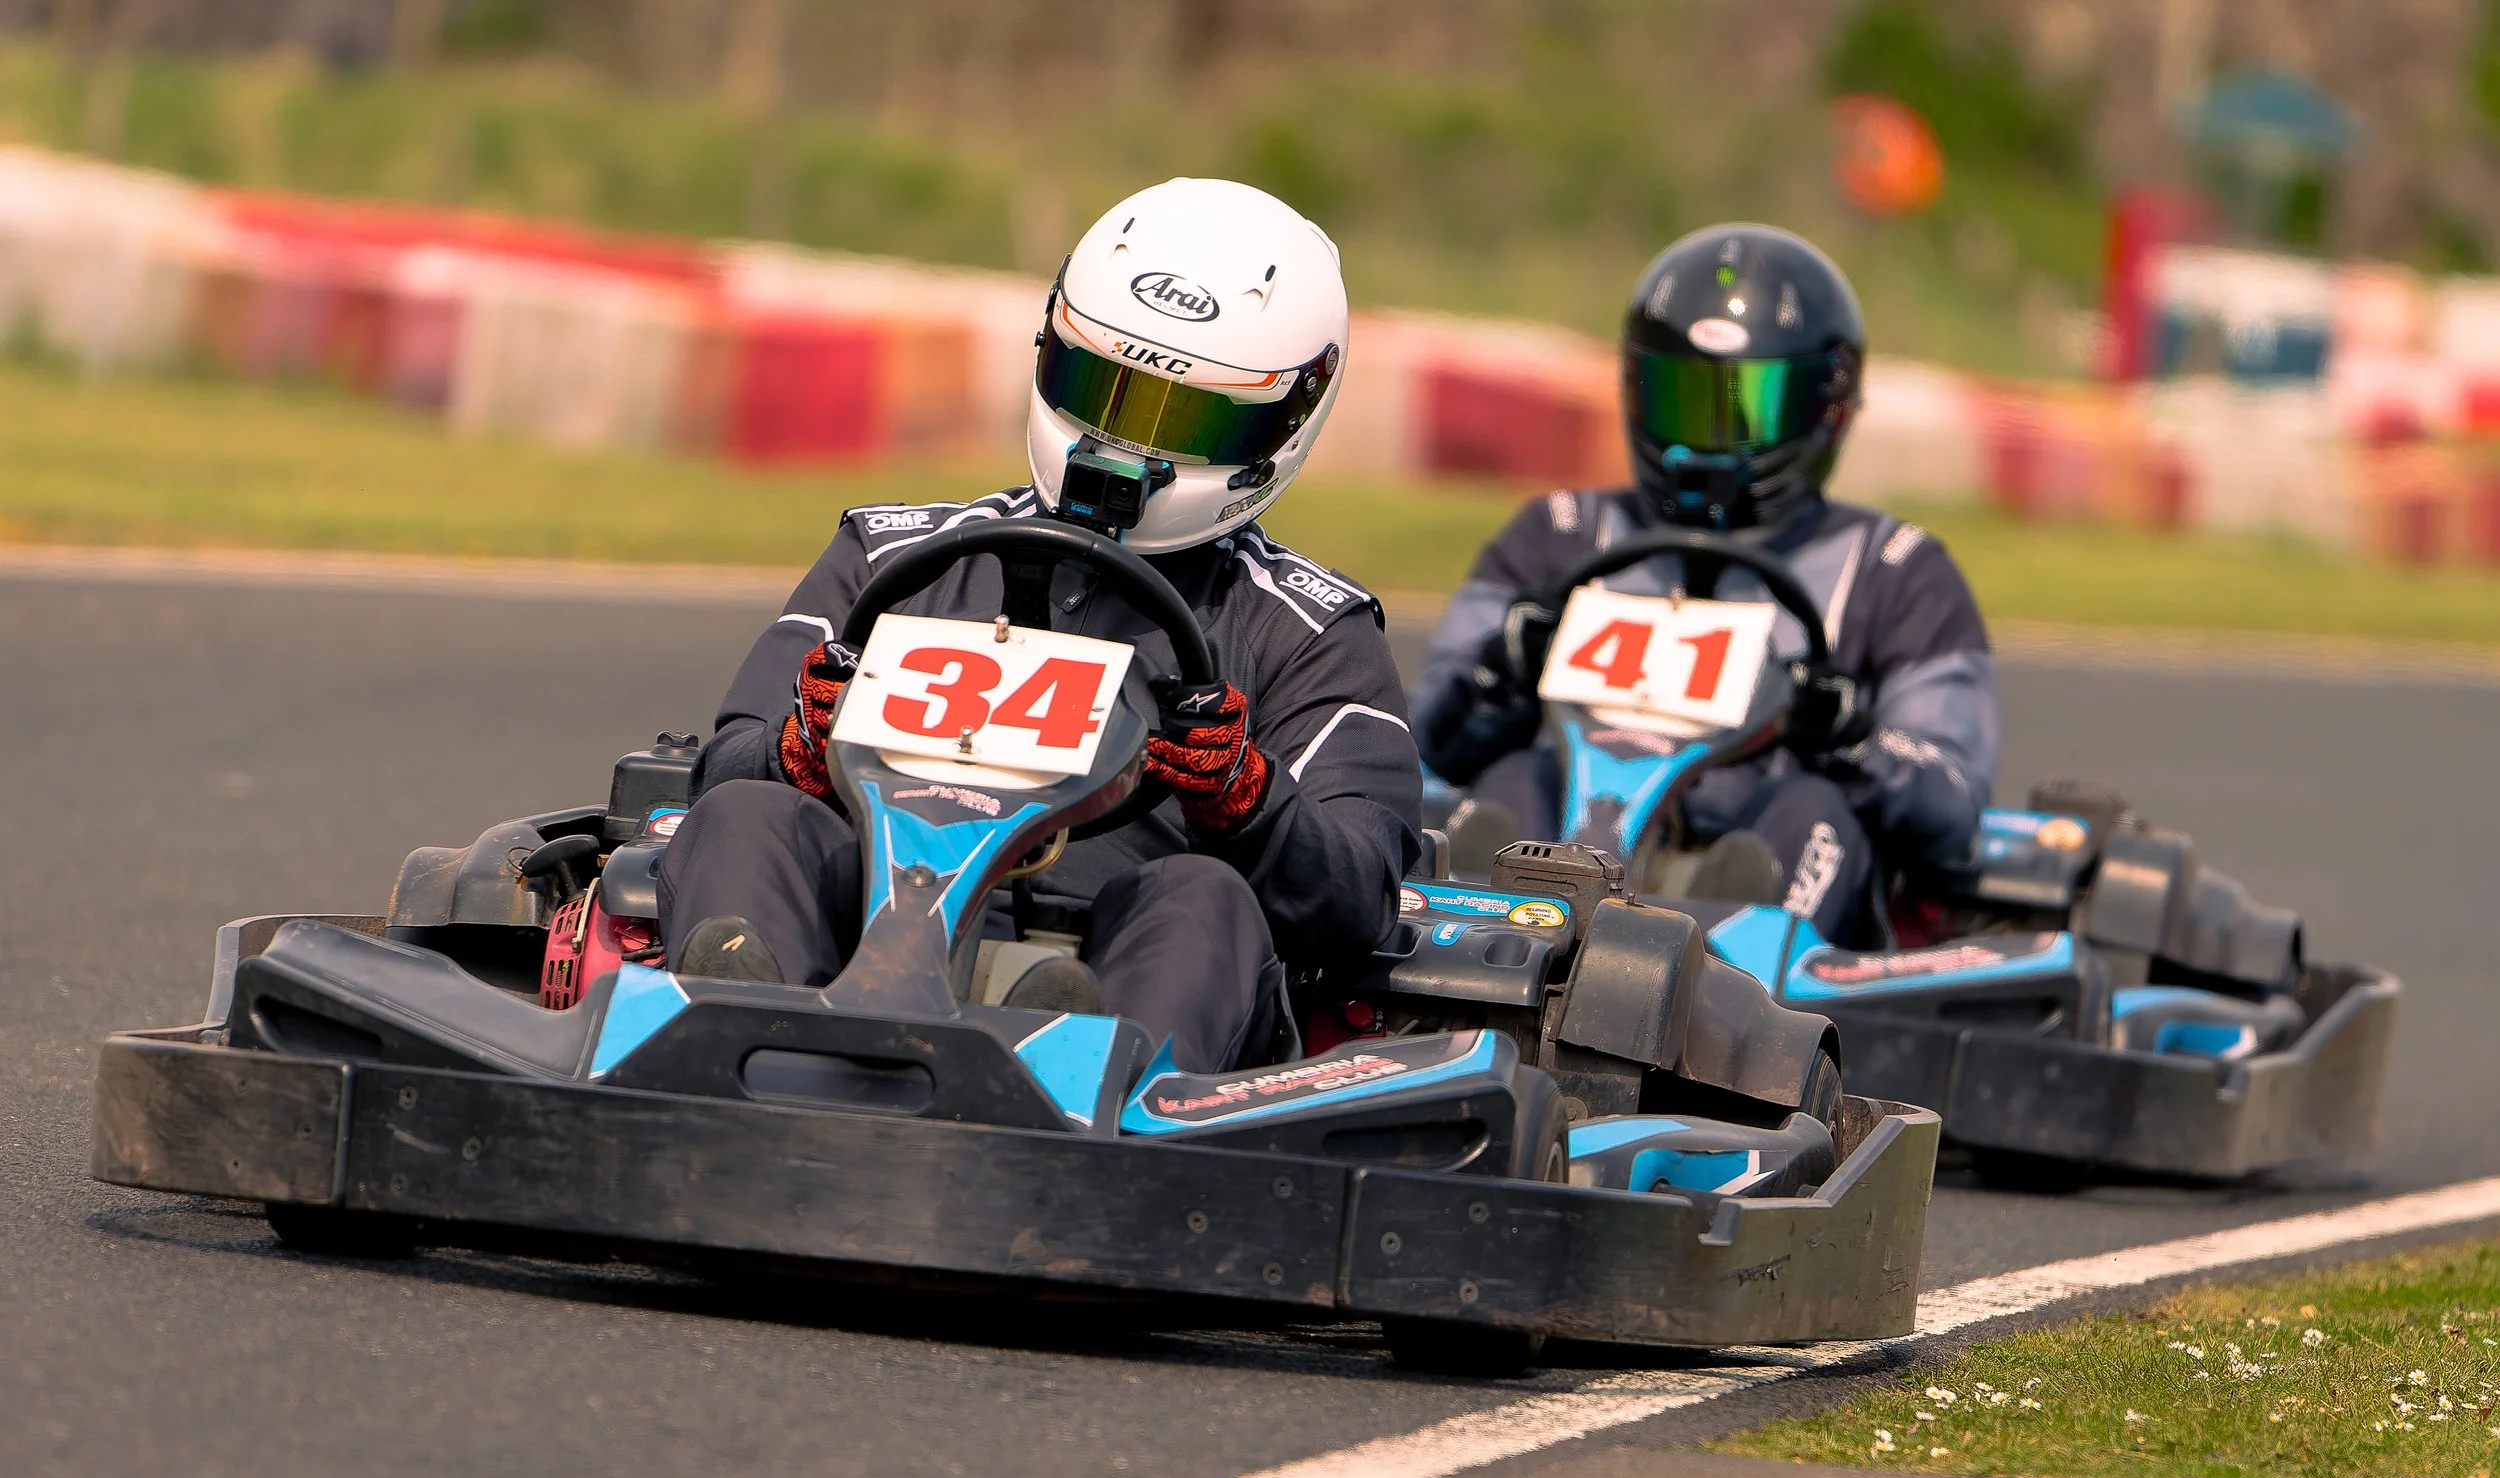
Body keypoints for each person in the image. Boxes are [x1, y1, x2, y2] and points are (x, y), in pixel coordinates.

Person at [656, 178, 1421, 1076]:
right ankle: (734, 1049)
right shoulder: (890, 556)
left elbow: (1360, 892)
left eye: (1186, 416)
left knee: (1204, 896)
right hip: (846, 947)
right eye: (1100, 388)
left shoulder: (1312, 634)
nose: (1121, 442)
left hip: (1117, 971)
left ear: (1281, 424)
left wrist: (1245, 799)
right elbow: (723, 768)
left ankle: (1078, 1075)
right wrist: (797, 746)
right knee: (745, 813)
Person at [1410, 224, 1998, 946]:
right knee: (1513, 780)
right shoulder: (1561, 533)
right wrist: (1493, 682)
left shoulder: (1897, 572)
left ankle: (1730, 973)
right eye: (1683, 401)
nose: (1709, 443)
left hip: (1759, 862)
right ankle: (1478, 954)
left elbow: (1951, 800)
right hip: (1567, 856)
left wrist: (1851, 743)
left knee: (1816, 809)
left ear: (1826, 406)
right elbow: (1429, 742)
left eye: (1747, 406)